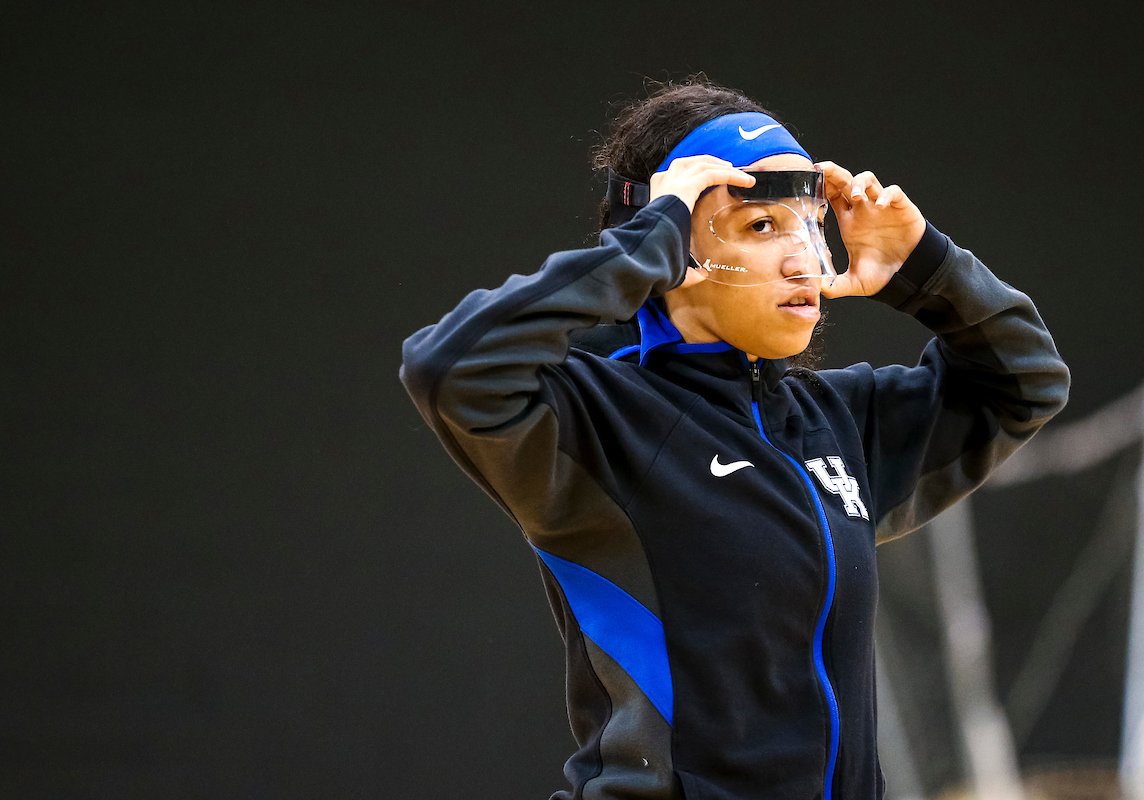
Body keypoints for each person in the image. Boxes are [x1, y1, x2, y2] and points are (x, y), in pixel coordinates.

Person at [399, 77, 1069, 800]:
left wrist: (925, 268)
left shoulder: (831, 420)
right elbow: (449, 366)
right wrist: (646, 238)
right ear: (674, 249)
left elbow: (1024, 381)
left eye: (810, 223)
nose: (804, 257)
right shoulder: (597, 416)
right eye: (760, 227)